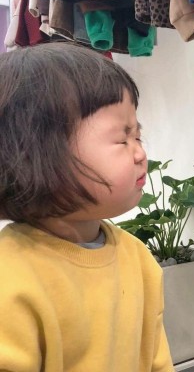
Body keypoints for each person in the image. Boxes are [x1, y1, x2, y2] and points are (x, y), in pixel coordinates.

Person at [0, 42, 174, 372]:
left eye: (138, 137)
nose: (140, 153)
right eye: (122, 138)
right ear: (39, 156)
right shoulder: (10, 277)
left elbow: (156, 358)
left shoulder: (137, 258)